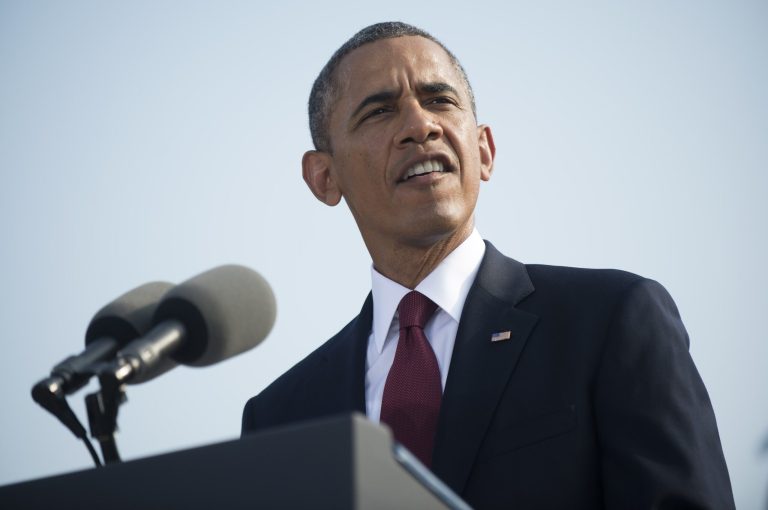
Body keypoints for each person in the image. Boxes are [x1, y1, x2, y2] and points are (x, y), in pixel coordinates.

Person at [241, 22, 735, 509]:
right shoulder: (282, 416)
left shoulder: (609, 320)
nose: (420, 126)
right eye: (380, 111)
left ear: (483, 150)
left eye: (440, 100)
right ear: (324, 177)